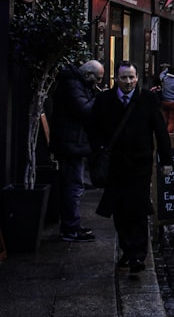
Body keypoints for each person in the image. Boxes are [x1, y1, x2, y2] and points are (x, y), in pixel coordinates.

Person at [88, 61, 172, 274]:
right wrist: (98, 151)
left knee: (138, 209)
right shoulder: (104, 100)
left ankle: (138, 254)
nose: (128, 82)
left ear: (137, 78)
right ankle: (127, 248)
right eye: (124, 78)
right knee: (120, 210)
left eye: (131, 77)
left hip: (140, 164)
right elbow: (93, 129)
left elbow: (160, 131)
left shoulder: (147, 99)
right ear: (117, 79)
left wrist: (167, 161)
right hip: (115, 165)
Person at [49, 59, 104, 242]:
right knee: (74, 186)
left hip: (73, 142)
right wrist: (99, 98)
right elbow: (84, 110)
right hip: (71, 144)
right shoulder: (72, 85)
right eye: (97, 79)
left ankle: (72, 226)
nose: (98, 83)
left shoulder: (75, 83)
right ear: (88, 75)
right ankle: (71, 228)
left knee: (74, 185)